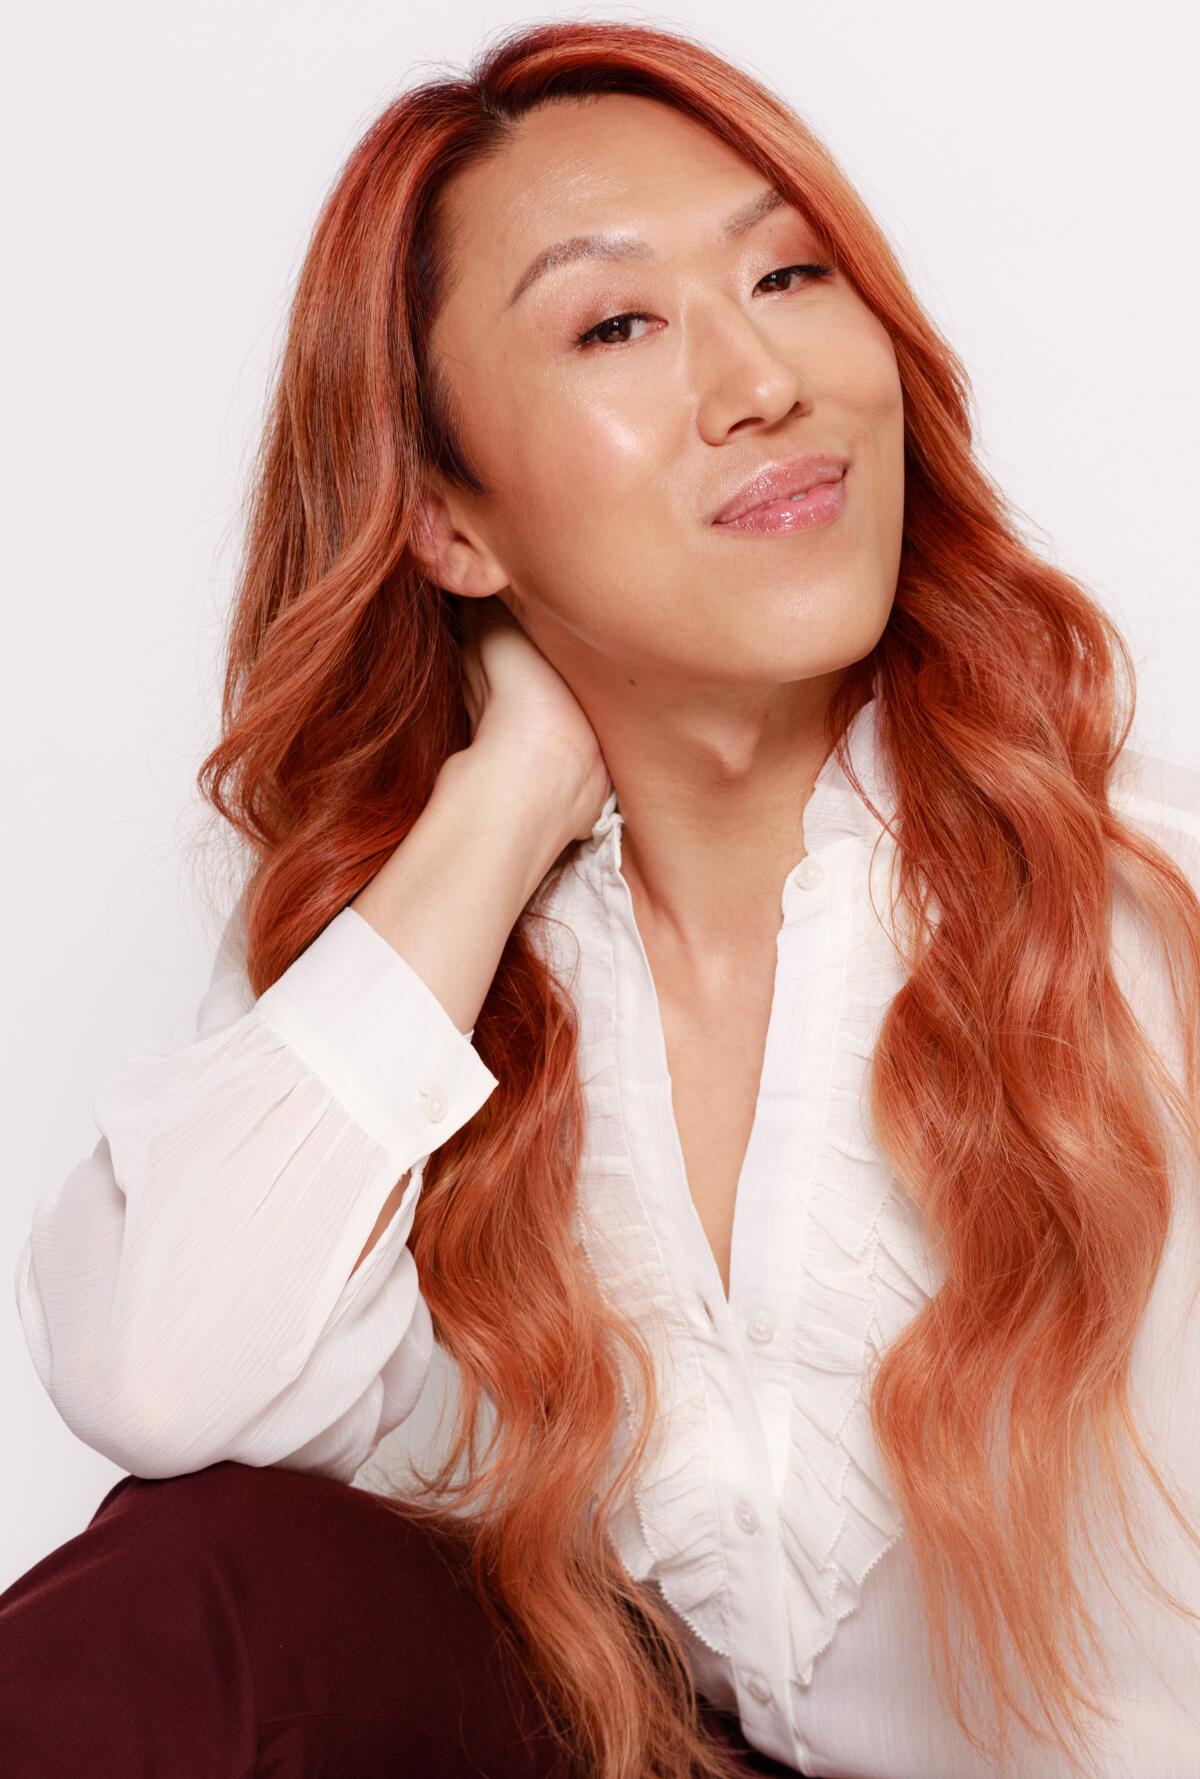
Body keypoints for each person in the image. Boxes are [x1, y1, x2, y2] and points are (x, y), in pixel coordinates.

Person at [6, 17, 1200, 1779]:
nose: (759, 379)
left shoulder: (1134, 916)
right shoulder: (458, 972)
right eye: (616, 323)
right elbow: (159, 1376)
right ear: (450, 526)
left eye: (791, 276)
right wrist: (508, 797)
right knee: (204, 1588)